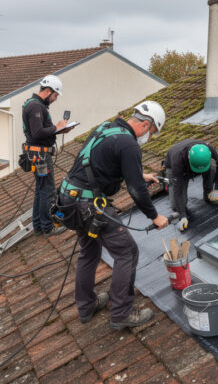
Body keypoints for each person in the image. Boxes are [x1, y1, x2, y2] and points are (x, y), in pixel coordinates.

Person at [57, 101, 169, 329]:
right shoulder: (129, 144)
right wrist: (155, 216)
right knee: (127, 252)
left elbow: (100, 163)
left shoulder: (107, 128)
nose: (150, 137)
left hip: (69, 199)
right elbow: (136, 191)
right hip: (88, 205)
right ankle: (121, 314)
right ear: (146, 125)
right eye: (153, 132)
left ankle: (86, 306)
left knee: (89, 252)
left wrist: (139, 174)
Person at [22, 74, 72, 236]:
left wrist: (58, 129)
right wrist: (56, 127)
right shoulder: (36, 107)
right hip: (40, 157)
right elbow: (37, 133)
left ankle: (38, 226)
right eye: (55, 95)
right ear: (48, 91)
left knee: (41, 190)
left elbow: (40, 131)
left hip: (37, 155)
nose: (55, 99)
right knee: (47, 191)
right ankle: (47, 227)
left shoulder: (33, 105)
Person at [163, 139, 218, 232]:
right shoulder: (177, 161)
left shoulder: (209, 149)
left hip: (191, 165)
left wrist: (217, 189)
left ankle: (208, 193)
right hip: (175, 169)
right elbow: (177, 191)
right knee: (177, 206)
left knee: (212, 165)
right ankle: (181, 209)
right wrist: (183, 216)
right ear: (188, 158)